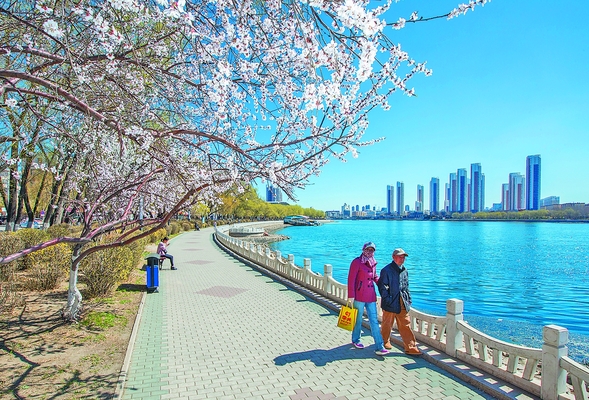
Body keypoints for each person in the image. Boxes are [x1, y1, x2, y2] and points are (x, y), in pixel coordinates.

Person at [347, 242, 390, 356]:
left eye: (372, 250)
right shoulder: (357, 262)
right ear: (363, 249)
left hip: (371, 296)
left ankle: (379, 346)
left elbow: (374, 276)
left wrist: (384, 285)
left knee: (374, 321)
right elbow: (351, 279)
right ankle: (356, 340)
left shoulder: (373, 262)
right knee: (358, 320)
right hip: (359, 296)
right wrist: (351, 296)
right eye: (368, 249)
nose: (370, 252)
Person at [377, 248, 422, 356]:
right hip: (390, 302)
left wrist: (408, 299)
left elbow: (406, 286)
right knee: (387, 324)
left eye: (403, 257)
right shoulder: (386, 270)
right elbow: (382, 287)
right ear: (393, 257)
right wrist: (387, 299)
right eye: (400, 257)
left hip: (402, 301)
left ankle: (410, 347)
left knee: (406, 324)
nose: (402, 259)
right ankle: (384, 341)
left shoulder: (404, 270)